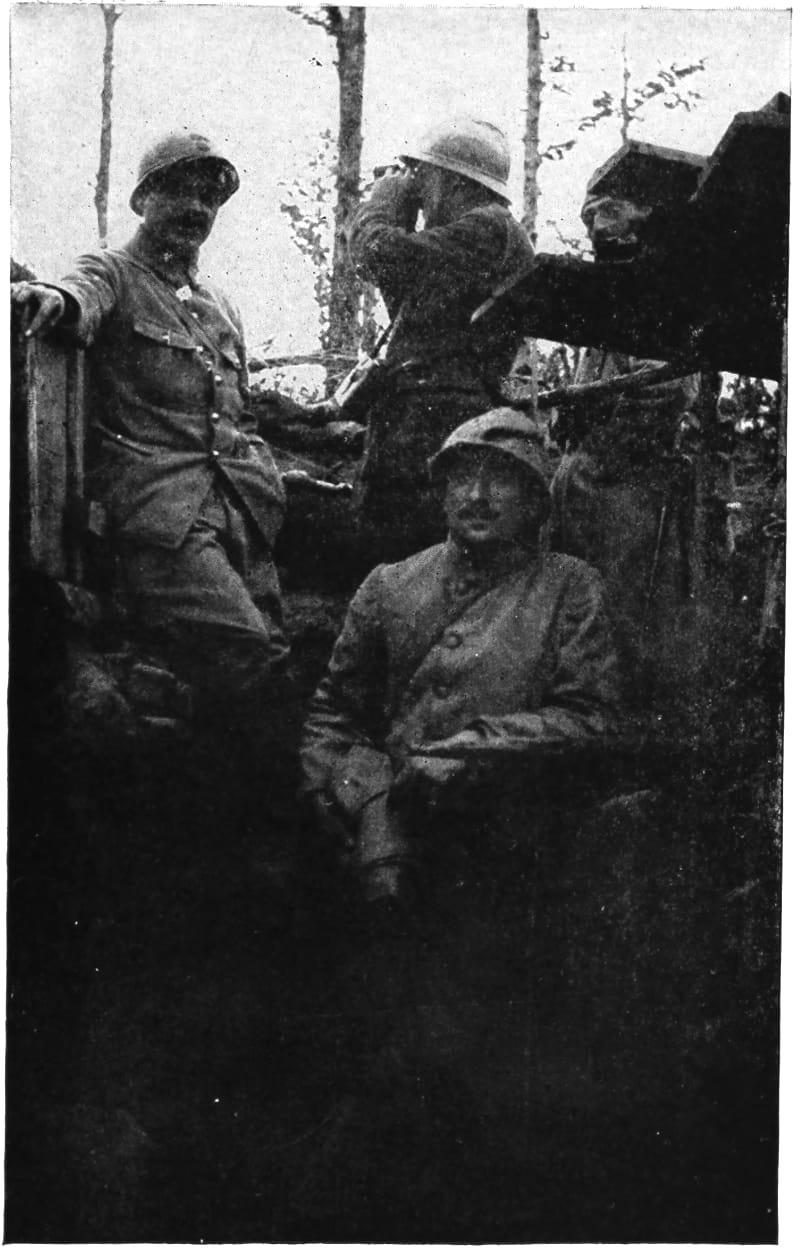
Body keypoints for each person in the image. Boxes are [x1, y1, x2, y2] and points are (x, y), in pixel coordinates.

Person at [296, 408, 624, 1235]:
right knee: (366, 1040)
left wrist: (474, 751)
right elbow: (333, 718)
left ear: (536, 498)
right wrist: (356, 798)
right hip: (380, 853)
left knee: (481, 1063)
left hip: (506, 859)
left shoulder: (570, 589)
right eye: (460, 476)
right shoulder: (388, 585)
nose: (476, 493)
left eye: (501, 478)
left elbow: (589, 718)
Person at [11, 131, 297, 882]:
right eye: (180, 191)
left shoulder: (217, 304)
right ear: (144, 198)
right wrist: (54, 300)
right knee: (247, 656)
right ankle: (269, 846)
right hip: (159, 518)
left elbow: (236, 409)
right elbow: (77, 296)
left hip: (239, 513)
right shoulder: (114, 271)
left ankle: (217, 847)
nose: (195, 208)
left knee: (276, 657)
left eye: (209, 196)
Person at [549, 164, 704, 721]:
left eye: (608, 212)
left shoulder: (660, 291)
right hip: (592, 478)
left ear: (644, 217)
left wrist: (605, 455)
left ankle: (627, 722)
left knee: (626, 607)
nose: (596, 228)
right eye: (589, 217)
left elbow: (663, 389)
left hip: (628, 482)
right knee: (580, 603)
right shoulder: (610, 297)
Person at [346, 116, 536, 565]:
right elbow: (410, 305)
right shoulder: (464, 240)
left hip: (440, 423)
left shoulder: (490, 228)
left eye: (422, 176)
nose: (415, 187)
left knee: (415, 560)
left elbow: (379, 254)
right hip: (424, 416)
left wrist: (381, 205)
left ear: (452, 181)